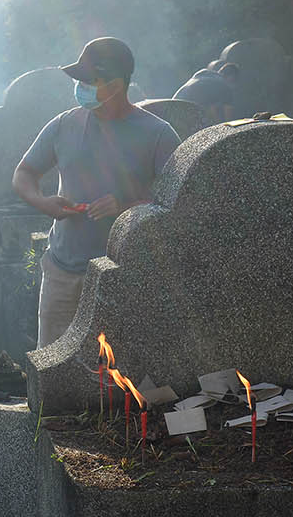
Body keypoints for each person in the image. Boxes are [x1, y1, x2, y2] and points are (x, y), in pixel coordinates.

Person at [13, 37, 181, 348]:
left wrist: (126, 206)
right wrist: (43, 202)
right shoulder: (64, 125)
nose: (81, 87)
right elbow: (24, 174)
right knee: (53, 369)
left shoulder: (157, 134)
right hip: (63, 270)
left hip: (123, 275)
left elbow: (177, 203)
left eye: (90, 80)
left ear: (118, 84)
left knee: (116, 376)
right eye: (79, 80)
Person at [173, 60, 239, 122]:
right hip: (185, 114)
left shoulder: (206, 77)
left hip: (171, 109)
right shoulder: (224, 85)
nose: (235, 85)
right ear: (231, 76)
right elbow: (229, 119)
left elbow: (211, 108)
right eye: (235, 79)